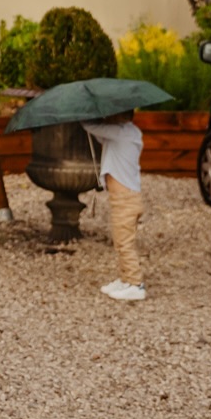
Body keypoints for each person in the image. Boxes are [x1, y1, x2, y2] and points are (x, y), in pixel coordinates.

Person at [84, 112, 147, 300]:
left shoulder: (122, 132)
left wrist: (80, 116)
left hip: (125, 200)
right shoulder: (125, 133)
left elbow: (91, 128)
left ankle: (136, 284)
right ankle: (126, 279)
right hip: (124, 199)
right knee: (120, 240)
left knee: (124, 243)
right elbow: (99, 135)